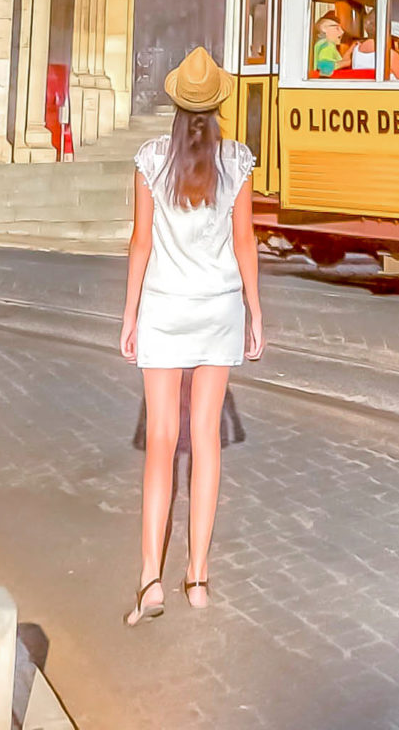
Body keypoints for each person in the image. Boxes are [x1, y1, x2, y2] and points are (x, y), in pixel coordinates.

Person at [120, 46, 263, 625]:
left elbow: (140, 243)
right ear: (219, 105)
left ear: (176, 105)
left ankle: (150, 580)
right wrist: (256, 313)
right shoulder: (236, 163)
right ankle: (197, 579)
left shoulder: (152, 160)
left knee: (160, 444)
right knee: (205, 444)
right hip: (218, 311)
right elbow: (246, 242)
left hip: (164, 310)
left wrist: (128, 314)